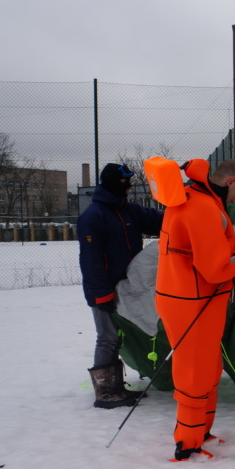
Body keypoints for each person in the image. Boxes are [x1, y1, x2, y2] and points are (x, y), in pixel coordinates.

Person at [155, 158, 235, 461]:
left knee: (208, 366)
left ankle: (201, 431)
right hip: (193, 301)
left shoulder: (195, 198)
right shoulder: (203, 207)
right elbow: (215, 268)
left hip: (190, 298)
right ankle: (187, 443)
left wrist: (231, 251)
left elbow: (207, 251)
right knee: (195, 373)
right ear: (231, 182)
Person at [78, 163, 163, 408]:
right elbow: (90, 261)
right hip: (104, 289)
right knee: (107, 337)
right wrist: (101, 295)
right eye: (125, 182)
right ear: (115, 183)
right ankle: (106, 393)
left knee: (119, 336)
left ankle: (115, 386)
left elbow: (159, 221)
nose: (128, 187)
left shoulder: (128, 211)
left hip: (128, 287)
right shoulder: (93, 217)